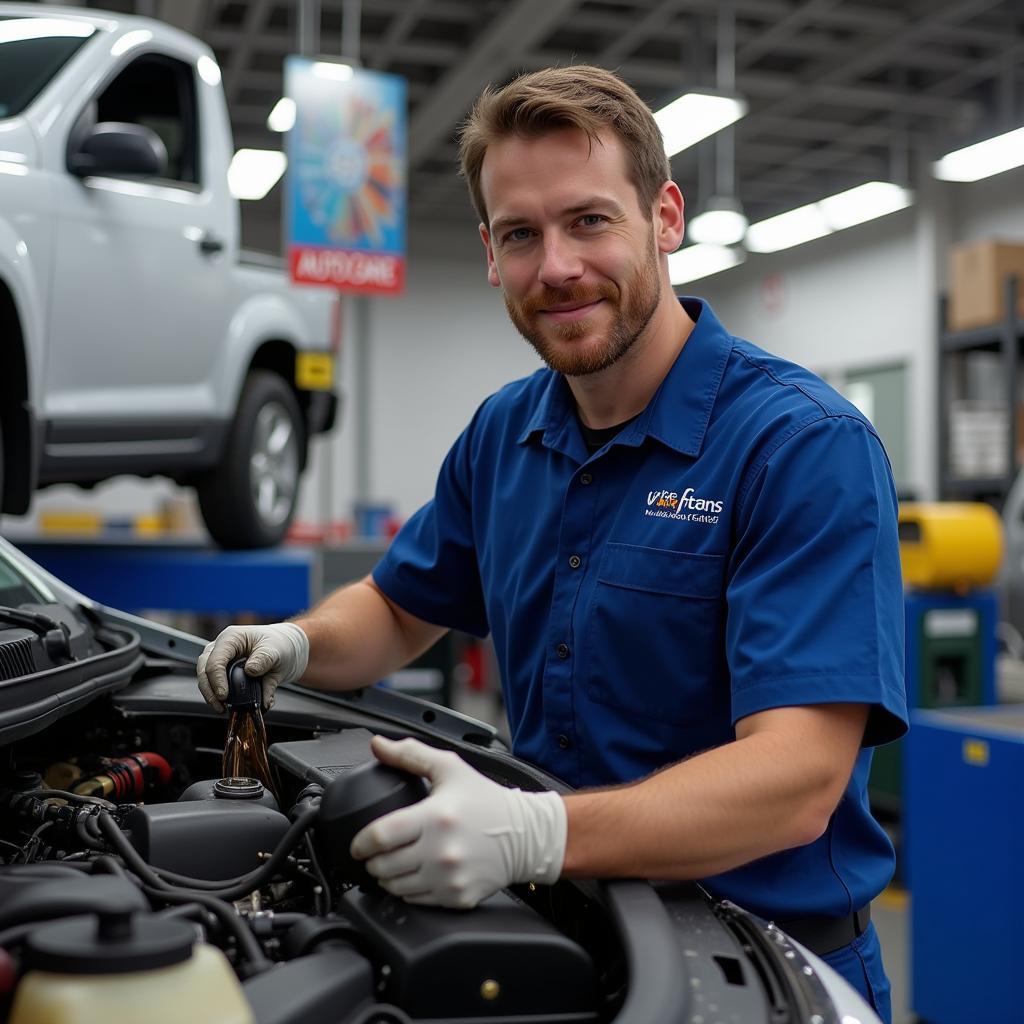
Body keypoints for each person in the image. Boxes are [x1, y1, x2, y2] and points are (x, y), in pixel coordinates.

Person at [197, 65, 906, 1021]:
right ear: (490, 253)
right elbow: (401, 608)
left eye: (589, 221)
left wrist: (538, 832)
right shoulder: (504, 434)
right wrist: (300, 643)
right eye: (521, 235)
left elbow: (797, 782)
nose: (556, 268)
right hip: (568, 941)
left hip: (772, 971)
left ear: (663, 218)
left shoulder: (800, 446)